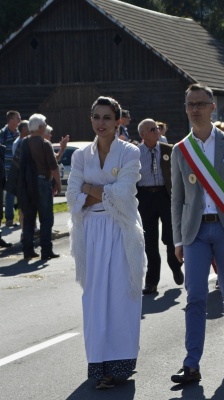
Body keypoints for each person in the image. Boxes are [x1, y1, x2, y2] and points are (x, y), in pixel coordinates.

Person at [170, 83, 224, 384]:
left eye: (200, 103)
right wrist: (178, 240)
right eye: (190, 104)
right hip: (195, 232)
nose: (195, 109)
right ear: (186, 109)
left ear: (212, 107)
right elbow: (177, 199)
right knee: (194, 297)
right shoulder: (181, 150)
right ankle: (191, 362)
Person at [67, 96, 145, 389]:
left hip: (120, 229)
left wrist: (89, 189)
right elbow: (72, 197)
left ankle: (120, 364)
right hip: (90, 231)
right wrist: (98, 190)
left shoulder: (129, 152)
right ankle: (99, 366)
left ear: (117, 122)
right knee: (95, 299)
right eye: (96, 117)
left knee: (121, 296)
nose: (101, 123)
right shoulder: (80, 156)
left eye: (107, 118)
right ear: (91, 120)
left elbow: (124, 194)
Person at [136, 118, 183, 295]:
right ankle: (152, 282)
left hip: (165, 195)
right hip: (145, 197)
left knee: (171, 237)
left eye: (156, 129)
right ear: (142, 135)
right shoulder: (136, 153)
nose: (157, 132)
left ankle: (175, 266)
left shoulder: (167, 150)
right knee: (149, 242)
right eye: (151, 130)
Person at [19, 114, 61, 260]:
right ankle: (46, 250)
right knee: (46, 218)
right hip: (42, 182)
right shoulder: (45, 144)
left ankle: (28, 250)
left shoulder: (24, 143)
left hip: (27, 183)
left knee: (29, 218)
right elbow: (53, 166)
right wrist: (59, 183)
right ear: (41, 127)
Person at [1, 110, 21, 227]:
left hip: (19, 169)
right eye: (17, 118)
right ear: (10, 120)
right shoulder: (3, 133)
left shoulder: (20, 133)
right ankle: (9, 219)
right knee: (10, 195)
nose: (19, 120)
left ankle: (22, 218)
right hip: (7, 170)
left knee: (21, 194)